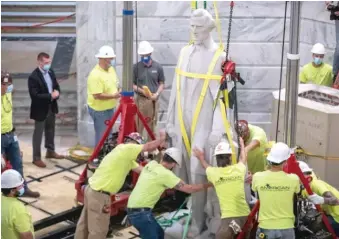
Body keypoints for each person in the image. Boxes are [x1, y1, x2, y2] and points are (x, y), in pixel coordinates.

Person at [166, 9, 235, 236]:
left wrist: (218, 129)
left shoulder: (219, 56)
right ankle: (193, 209)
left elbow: (222, 98)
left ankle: (198, 223)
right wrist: (169, 119)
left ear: (209, 29)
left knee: (198, 166)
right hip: (181, 117)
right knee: (183, 164)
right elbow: (175, 87)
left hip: (204, 119)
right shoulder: (184, 52)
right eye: (192, 27)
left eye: (199, 27)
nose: (194, 31)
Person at [74, 131, 166, 239]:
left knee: (84, 226)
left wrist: (161, 171)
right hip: (100, 196)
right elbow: (148, 146)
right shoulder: (128, 149)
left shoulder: (124, 156)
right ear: (134, 143)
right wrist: (161, 140)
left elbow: (143, 171)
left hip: (91, 191)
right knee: (98, 231)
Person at [127, 147, 211, 239]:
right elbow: (189, 189)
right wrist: (210, 184)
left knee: (159, 234)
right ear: (173, 164)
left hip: (133, 209)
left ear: (164, 157)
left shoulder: (152, 164)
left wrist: (178, 182)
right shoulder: (166, 174)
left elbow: (158, 178)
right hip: (141, 214)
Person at [193, 137, 251, 239]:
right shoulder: (238, 169)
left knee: (221, 236)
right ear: (230, 157)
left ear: (216, 159)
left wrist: (200, 157)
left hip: (232, 218)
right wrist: (242, 145)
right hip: (244, 215)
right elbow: (243, 158)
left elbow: (205, 165)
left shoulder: (214, 173)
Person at [2, 72, 40, 198]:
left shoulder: (8, 93)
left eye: (8, 84)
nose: (6, 86)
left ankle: (23, 189)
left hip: (11, 135)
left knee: (18, 163)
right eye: (3, 84)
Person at [252, 142, 300, 239]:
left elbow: (254, 189)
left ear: (269, 159)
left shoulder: (257, 177)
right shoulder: (294, 179)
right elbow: (298, 191)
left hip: (266, 227)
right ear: (285, 161)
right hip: (287, 228)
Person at [28, 52, 64, 168]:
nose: (48, 64)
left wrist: (57, 93)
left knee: (50, 130)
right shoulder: (33, 77)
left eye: (49, 62)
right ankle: (36, 158)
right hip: (40, 109)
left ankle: (50, 151)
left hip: (51, 107)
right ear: (39, 62)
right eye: (46, 62)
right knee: (38, 133)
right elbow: (35, 95)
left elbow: (56, 86)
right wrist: (50, 96)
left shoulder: (51, 72)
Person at [87, 45, 121, 146]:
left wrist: (119, 90)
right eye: (111, 58)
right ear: (103, 59)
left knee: (108, 134)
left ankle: (105, 156)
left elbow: (116, 83)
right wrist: (114, 96)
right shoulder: (95, 75)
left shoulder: (111, 69)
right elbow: (97, 95)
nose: (112, 60)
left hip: (110, 108)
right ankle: (98, 157)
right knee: (102, 135)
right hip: (100, 110)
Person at [133, 41, 165, 138]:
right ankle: (139, 149)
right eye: (142, 55)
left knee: (152, 126)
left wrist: (157, 94)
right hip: (141, 100)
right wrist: (142, 91)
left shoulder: (158, 67)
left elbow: (162, 83)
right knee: (139, 125)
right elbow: (132, 84)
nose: (144, 57)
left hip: (153, 100)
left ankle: (151, 149)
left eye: (146, 55)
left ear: (150, 54)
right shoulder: (136, 67)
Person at [298, 161, 339, 236]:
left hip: (336, 218)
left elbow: (335, 200)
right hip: (332, 216)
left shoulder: (316, 183)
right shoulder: (305, 189)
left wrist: (321, 200)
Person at [1, 169, 34, 239]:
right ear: (12, 191)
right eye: (20, 186)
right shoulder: (18, 209)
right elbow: (26, 236)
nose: (23, 186)